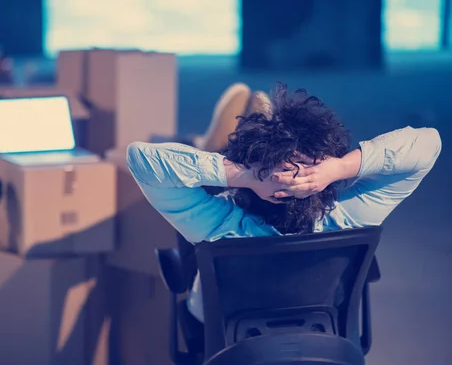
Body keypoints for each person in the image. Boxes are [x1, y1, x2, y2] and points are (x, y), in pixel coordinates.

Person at [126, 83, 442, 323]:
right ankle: (232, 143)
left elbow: (141, 158)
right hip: (322, 328)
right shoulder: (346, 219)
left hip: (221, 323)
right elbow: (429, 143)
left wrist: (247, 175)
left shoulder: (221, 226)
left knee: (194, 209)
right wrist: (339, 167)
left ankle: (220, 151)